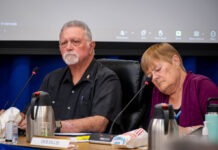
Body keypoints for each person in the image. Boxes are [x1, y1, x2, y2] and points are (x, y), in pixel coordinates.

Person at [20, 20, 122, 133]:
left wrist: (53, 125)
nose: (68, 47)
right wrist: (14, 118)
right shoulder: (52, 78)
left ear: (91, 46)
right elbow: (31, 115)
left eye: (75, 42)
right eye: (64, 43)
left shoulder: (106, 79)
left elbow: (99, 123)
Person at [141, 43, 218, 135]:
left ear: (175, 61)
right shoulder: (157, 92)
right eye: (150, 76)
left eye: (158, 69)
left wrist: (187, 131)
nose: (154, 78)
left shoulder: (202, 85)